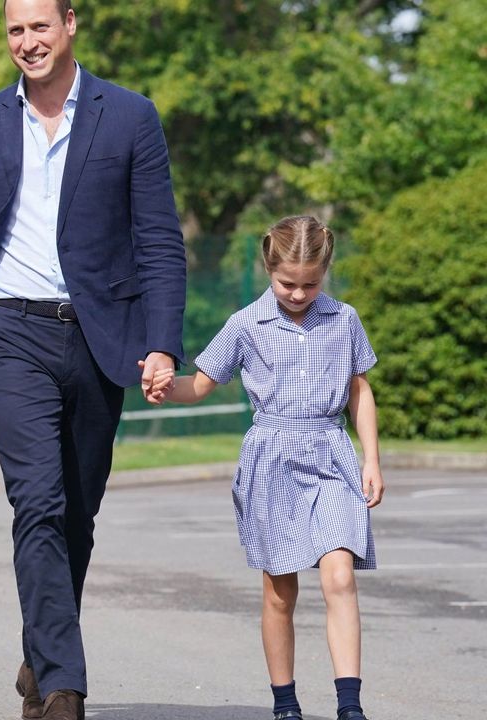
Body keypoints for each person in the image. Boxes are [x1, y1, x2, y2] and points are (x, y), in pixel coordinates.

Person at [0, 0, 187, 717]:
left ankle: (41, 653)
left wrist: (162, 341)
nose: (27, 42)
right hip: (7, 331)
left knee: (77, 513)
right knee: (36, 499)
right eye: (15, 30)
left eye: (39, 26)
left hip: (101, 338)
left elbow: (159, 239)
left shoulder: (130, 116)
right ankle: (65, 685)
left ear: (71, 23)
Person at [144, 215, 383, 720]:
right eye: (287, 283)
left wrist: (372, 460)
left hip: (331, 453)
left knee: (339, 576)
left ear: (326, 273)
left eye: (310, 284)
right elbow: (201, 385)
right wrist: (165, 385)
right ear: (268, 270)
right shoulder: (245, 324)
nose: (298, 294)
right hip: (271, 459)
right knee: (281, 590)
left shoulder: (344, 320)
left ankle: (350, 706)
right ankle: (286, 703)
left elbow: (360, 391)